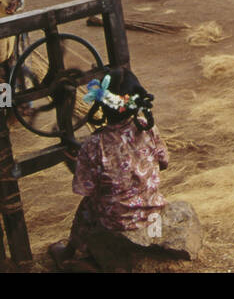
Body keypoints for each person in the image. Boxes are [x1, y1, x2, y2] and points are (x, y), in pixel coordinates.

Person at [50, 67, 167, 270]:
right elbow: (164, 162)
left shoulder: (95, 144)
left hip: (117, 220)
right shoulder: (148, 129)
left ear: (101, 104)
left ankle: (72, 252)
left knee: (86, 206)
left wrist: (75, 164)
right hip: (152, 210)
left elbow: (85, 188)